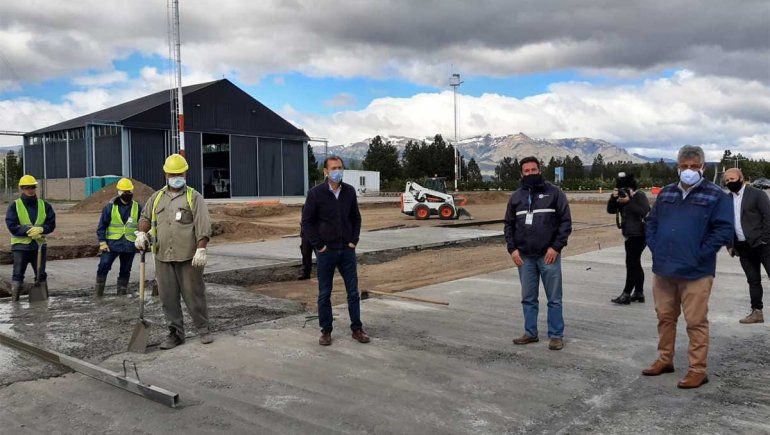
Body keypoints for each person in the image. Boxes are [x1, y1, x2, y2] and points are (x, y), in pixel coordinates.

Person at [643, 145, 733, 389]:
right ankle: (665, 359)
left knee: (696, 322)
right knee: (664, 317)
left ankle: (697, 369)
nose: (689, 170)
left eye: (694, 166)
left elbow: (723, 229)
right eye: (684, 166)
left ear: (703, 167)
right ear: (678, 168)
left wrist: (699, 254)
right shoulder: (666, 194)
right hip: (664, 269)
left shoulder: (716, 195)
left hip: (696, 271)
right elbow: (651, 223)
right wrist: (656, 247)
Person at [135, 154, 213, 349]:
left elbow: (203, 225)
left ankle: (203, 329)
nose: (176, 176)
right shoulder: (157, 197)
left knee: (194, 295)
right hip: (162, 255)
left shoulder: (193, 196)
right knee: (168, 298)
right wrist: (141, 233)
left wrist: (201, 249)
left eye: (179, 173)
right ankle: (175, 334)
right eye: (172, 173)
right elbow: (144, 217)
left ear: (185, 173)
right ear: (166, 174)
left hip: (188, 256)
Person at [504, 156, 572, 351]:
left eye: (534, 170)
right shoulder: (516, 197)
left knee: (554, 298)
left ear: (540, 170)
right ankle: (530, 333)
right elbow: (508, 225)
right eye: (527, 171)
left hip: (548, 256)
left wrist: (556, 247)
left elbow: (565, 222)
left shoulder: (554, 193)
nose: (531, 173)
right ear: (521, 173)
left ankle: (556, 335)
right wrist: (512, 249)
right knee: (528, 298)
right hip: (524, 257)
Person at [301, 156, 369, 346]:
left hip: (346, 251)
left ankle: (357, 329)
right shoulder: (315, 193)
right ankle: (326, 331)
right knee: (325, 293)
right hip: (326, 252)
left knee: (353, 292)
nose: (337, 171)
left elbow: (356, 218)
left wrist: (354, 241)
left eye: (339, 167)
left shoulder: (349, 191)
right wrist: (319, 245)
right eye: (333, 168)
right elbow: (307, 222)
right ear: (325, 171)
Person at [724, 168, 770, 324]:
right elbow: (726, 223)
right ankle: (757, 312)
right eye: (727, 180)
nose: (730, 182)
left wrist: (765, 239)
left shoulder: (757, 194)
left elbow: (768, 216)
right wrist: (729, 244)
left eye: (732, 178)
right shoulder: (727, 199)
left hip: (763, 245)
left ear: (741, 178)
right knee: (753, 281)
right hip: (743, 248)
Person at [5, 175, 56, 301]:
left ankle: (43, 300)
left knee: (41, 275)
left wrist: (42, 229)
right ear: (22, 189)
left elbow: (51, 224)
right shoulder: (14, 206)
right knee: (18, 275)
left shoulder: (44, 205)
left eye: (33, 187)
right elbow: (12, 225)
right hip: (21, 247)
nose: (31, 190)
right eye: (27, 188)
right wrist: (27, 230)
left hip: (39, 246)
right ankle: (15, 302)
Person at [606, 172, 650, 304]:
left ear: (633, 188)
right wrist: (614, 198)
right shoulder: (621, 197)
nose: (624, 191)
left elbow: (644, 212)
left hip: (639, 235)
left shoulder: (639, 195)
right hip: (630, 234)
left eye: (626, 189)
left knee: (631, 264)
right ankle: (639, 293)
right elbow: (610, 210)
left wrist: (629, 201)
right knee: (635, 263)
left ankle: (626, 294)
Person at [94, 178, 142, 297]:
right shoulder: (110, 208)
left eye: (129, 192)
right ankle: (98, 293)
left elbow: (143, 225)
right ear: (119, 192)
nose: (127, 194)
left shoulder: (137, 207)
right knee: (103, 266)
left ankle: (122, 293)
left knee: (125, 271)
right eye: (124, 192)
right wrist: (102, 242)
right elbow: (102, 226)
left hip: (129, 245)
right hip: (112, 245)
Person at [298, 204, 312, 280]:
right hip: (306, 234)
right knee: (305, 253)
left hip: (318, 234)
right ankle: (306, 272)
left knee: (320, 255)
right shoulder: (305, 206)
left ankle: (323, 273)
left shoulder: (322, 205)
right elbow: (303, 220)